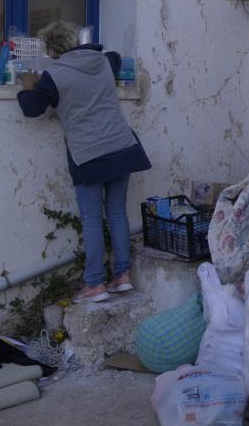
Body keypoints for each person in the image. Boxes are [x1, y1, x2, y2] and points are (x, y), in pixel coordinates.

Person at [18, 21, 151, 303]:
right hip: (121, 146)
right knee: (116, 212)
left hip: (88, 154)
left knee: (91, 218)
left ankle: (94, 283)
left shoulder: (53, 75)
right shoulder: (103, 62)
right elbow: (115, 58)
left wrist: (27, 87)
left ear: (52, 51)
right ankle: (122, 276)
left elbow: (32, 109)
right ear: (74, 41)